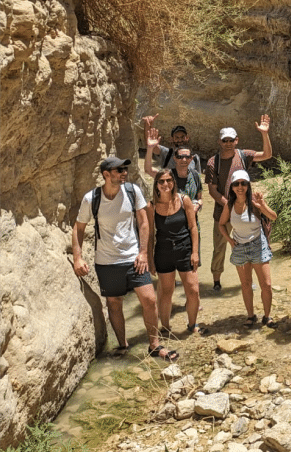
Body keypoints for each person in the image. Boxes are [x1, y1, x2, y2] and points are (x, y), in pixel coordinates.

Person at [71, 156, 178, 361]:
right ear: (106, 174)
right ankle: (122, 344)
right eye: (119, 170)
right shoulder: (91, 198)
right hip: (106, 261)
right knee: (114, 303)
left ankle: (154, 345)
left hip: (133, 258)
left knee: (149, 299)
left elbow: (143, 222)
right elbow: (79, 227)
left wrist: (143, 253)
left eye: (124, 169)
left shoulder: (132, 191)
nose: (124, 173)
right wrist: (78, 258)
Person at [205, 117, 272, 291]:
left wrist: (265, 134)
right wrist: (230, 206)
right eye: (225, 140)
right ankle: (217, 281)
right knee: (219, 246)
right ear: (220, 141)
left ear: (237, 140)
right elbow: (212, 191)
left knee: (249, 243)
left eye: (231, 140)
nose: (228, 143)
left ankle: (248, 281)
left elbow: (267, 155)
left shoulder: (243, 155)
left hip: (246, 211)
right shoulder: (213, 162)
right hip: (223, 211)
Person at [146, 169, 204, 336]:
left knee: (193, 290)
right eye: (161, 181)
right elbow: (150, 235)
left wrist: (195, 252)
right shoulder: (152, 206)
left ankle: (192, 325)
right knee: (166, 291)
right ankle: (165, 328)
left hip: (184, 248)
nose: (166, 184)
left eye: (169, 180)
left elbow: (193, 227)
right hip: (163, 251)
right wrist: (150, 260)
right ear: (156, 185)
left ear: (173, 182)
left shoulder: (184, 200)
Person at [218, 170, 278, 329]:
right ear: (231, 187)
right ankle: (251, 316)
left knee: (266, 284)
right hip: (239, 247)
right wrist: (229, 240)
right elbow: (221, 224)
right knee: (246, 284)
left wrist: (262, 205)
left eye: (243, 183)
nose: (240, 187)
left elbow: (273, 217)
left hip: (258, 245)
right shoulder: (229, 205)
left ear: (248, 185)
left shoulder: (254, 203)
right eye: (236, 184)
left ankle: (267, 316)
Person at [145, 128, 203, 231]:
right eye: (180, 157)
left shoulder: (196, 175)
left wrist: (197, 205)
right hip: (171, 218)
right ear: (175, 159)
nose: (184, 160)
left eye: (187, 157)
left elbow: (199, 197)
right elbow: (148, 169)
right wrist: (150, 148)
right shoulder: (168, 176)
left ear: (191, 158)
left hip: (192, 220)